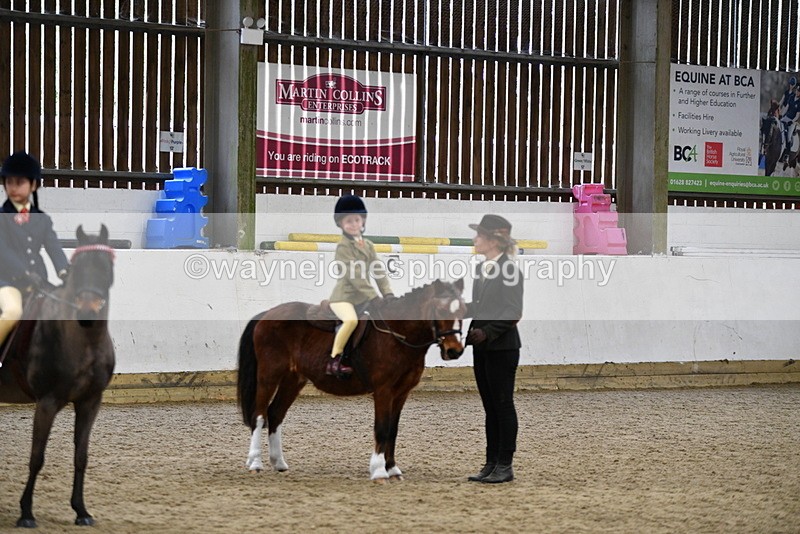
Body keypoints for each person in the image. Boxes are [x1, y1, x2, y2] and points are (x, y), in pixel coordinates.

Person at [464, 214, 523, 484]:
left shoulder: (510, 270)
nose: (475, 239)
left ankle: (505, 464)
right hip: (482, 346)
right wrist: (455, 308)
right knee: (490, 406)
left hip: (502, 347)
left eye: (479, 235)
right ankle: (491, 462)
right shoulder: (482, 270)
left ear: (491, 240)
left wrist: (487, 332)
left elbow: (513, 311)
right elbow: (479, 306)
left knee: (502, 404)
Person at [0, 151, 69, 349]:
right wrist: (24, 273)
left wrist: (65, 271)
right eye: (9, 182)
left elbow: (53, 248)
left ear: (34, 185)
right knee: (13, 311)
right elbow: (2, 251)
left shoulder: (43, 219)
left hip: (38, 281)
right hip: (6, 282)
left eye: (19, 182)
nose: (13, 188)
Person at [326, 194, 393, 377]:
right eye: (349, 221)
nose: (354, 224)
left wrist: (387, 293)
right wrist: (373, 296)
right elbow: (354, 275)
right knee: (351, 321)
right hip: (344, 298)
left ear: (363, 221)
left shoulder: (368, 245)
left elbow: (378, 270)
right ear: (340, 224)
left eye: (357, 220)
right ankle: (335, 359)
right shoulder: (343, 247)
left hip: (363, 297)